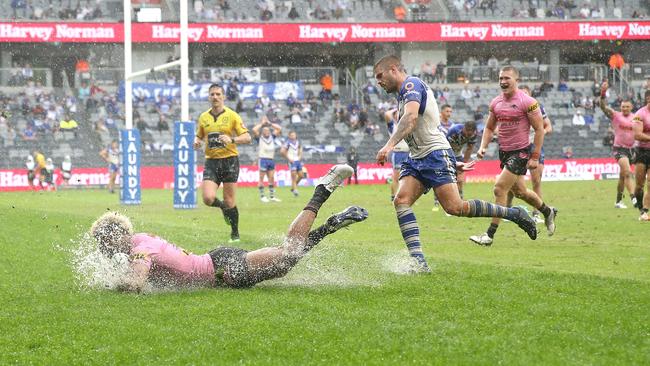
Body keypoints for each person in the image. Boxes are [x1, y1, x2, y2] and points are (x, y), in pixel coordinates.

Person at [373, 55, 537, 272]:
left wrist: (389, 145)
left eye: (380, 76)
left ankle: (514, 214)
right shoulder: (403, 95)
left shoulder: (412, 84)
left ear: (393, 69)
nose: (379, 82)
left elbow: (411, 119)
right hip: (419, 157)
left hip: (433, 155)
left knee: (455, 207)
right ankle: (419, 263)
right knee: (401, 200)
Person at [90, 165, 368, 292]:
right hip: (219, 264)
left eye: (104, 244)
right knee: (286, 263)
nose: (103, 250)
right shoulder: (139, 241)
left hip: (224, 269)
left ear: (115, 237)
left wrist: (116, 284)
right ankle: (331, 225)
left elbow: (136, 283)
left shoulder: (139, 249)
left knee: (288, 254)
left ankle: (323, 190)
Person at [469, 66, 557, 246]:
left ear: (516, 80)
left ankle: (489, 235)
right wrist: (483, 147)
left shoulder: (528, 102)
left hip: (521, 152)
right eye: (501, 78)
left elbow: (540, 129)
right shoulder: (496, 103)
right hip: (505, 152)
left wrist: (534, 156)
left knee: (499, 189)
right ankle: (548, 212)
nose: (503, 82)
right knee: (520, 192)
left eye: (507, 78)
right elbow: (489, 127)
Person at [194, 84, 252, 242]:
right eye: (212, 94)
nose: (215, 97)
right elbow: (199, 136)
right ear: (208, 97)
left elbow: (247, 137)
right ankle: (223, 208)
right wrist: (197, 141)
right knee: (207, 198)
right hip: (211, 162)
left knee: (230, 201)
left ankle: (235, 232)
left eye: (218, 94)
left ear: (224, 97)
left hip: (230, 161)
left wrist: (232, 139)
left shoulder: (233, 116)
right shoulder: (203, 117)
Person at [515, 85, 553, 222]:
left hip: (535, 146)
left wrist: (541, 133)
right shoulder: (515, 109)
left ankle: (536, 213)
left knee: (536, 180)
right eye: (521, 93)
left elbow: (548, 126)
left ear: (530, 95)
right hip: (519, 147)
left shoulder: (537, 107)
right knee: (513, 182)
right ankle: (506, 210)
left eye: (526, 93)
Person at [599, 81, 637, 209]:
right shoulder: (616, 115)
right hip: (619, 149)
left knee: (622, 176)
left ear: (631, 107)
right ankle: (634, 197)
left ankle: (618, 201)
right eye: (623, 106)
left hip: (632, 149)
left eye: (627, 106)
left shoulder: (636, 118)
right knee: (627, 172)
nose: (624, 108)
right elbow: (603, 106)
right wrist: (603, 93)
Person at [252, 116, 282, 203]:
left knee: (271, 178)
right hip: (263, 159)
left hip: (271, 159)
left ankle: (272, 197)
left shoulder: (272, 137)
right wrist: (262, 124)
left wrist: (269, 123)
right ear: (262, 132)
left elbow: (279, 129)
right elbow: (254, 130)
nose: (266, 132)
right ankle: (262, 196)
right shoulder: (259, 138)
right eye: (265, 130)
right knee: (261, 178)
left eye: (268, 130)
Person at [445, 121, 477, 201]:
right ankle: (444, 199)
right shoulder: (454, 131)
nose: (468, 135)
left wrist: (464, 163)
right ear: (464, 128)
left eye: (470, 134)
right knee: (448, 179)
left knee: (459, 180)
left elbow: (469, 149)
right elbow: (446, 146)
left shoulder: (474, 135)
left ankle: (459, 199)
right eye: (467, 132)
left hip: (458, 154)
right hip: (448, 153)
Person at [632, 90, 650, 221]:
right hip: (642, 152)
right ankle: (640, 207)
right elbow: (637, 135)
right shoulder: (640, 114)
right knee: (639, 185)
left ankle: (644, 211)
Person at [385, 107, 410, 201]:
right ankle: (393, 196)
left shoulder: (405, 125)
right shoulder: (392, 126)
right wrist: (396, 109)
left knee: (407, 176)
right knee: (396, 176)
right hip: (398, 153)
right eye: (396, 114)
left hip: (408, 153)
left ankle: (405, 196)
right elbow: (387, 114)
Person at [281, 131, 304, 197]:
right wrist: (288, 158)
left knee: (301, 175)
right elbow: (282, 151)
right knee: (293, 176)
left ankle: (293, 187)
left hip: (297, 161)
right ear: (289, 136)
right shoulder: (287, 143)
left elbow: (300, 149)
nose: (293, 136)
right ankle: (295, 191)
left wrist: (299, 156)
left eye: (294, 135)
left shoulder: (298, 142)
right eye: (291, 135)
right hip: (292, 161)